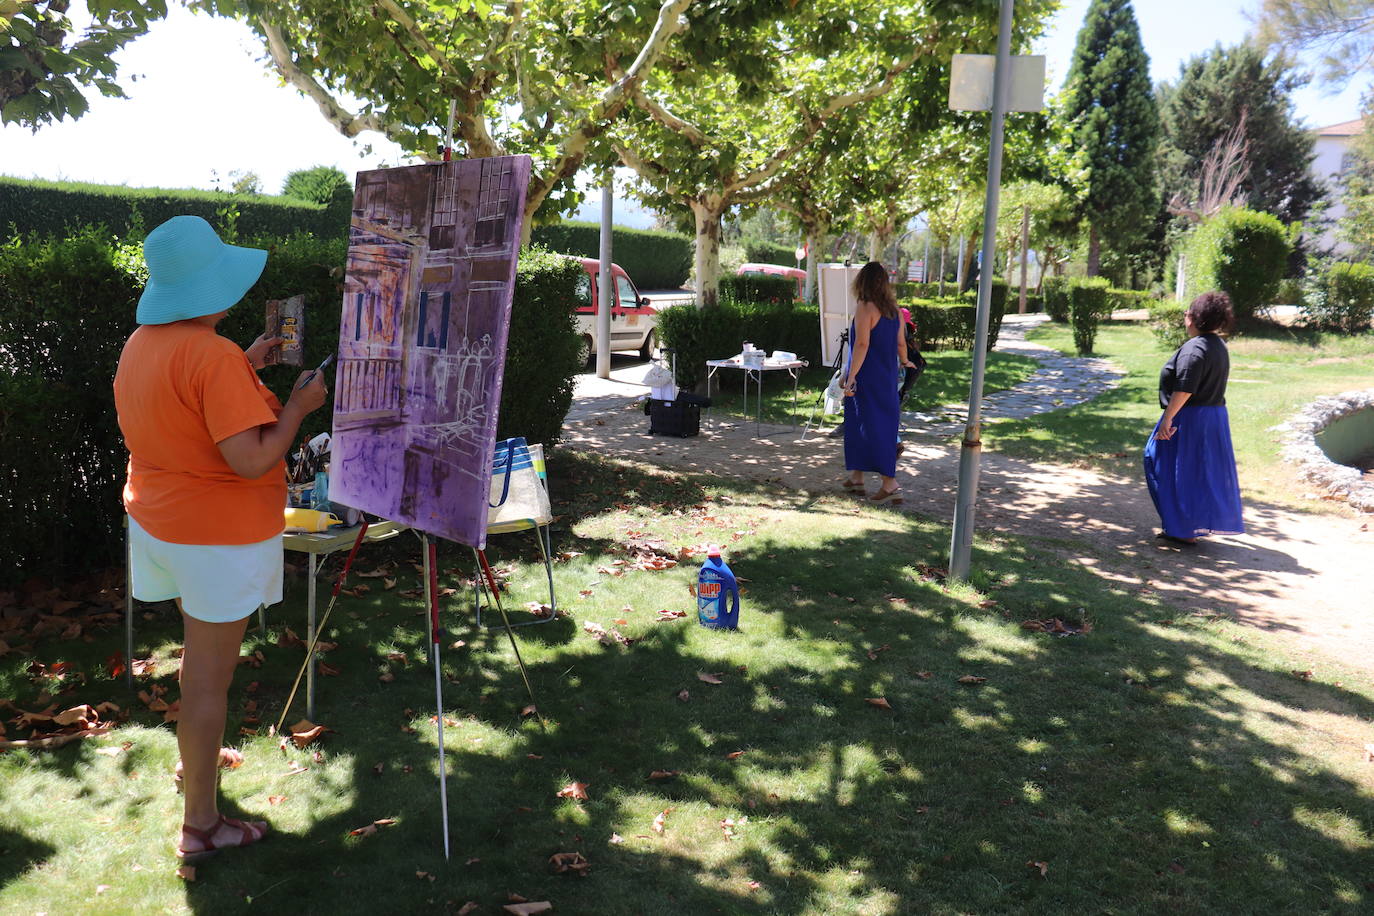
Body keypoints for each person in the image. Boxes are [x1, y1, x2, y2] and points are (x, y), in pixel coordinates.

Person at [113, 215, 329, 861]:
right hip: (214, 535)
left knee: (196, 661)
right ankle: (201, 824)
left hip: (159, 522)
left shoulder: (143, 342)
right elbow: (252, 460)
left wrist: (242, 362)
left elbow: (184, 406)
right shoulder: (210, 356)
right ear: (211, 289)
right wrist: (298, 408)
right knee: (208, 681)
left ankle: (197, 763)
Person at [1143, 291, 1245, 545]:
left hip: (1189, 417)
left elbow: (1185, 388)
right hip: (1213, 416)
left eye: (1187, 313)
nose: (1185, 317)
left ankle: (1182, 529)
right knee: (1194, 471)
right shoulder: (1218, 345)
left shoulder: (1194, 349)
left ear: (1194, 318)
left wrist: (1168, 419)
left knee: (1161, 463)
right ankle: (1187, 526)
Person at [840, 262, 917, 503]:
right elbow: (901, 343)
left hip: (867, 376)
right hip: (887, 377)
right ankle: (857, 477)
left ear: (862, 282)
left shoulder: (865, 307)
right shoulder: (894, 310)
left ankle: (889, 482)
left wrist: (851, 377)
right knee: (866, 424)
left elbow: (861, 345)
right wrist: (905, 361)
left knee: (871, 427)